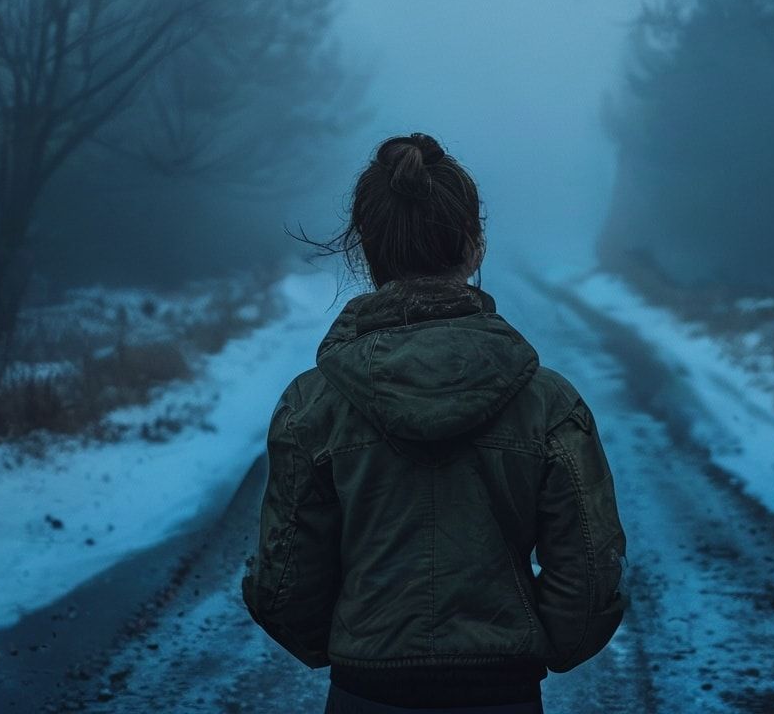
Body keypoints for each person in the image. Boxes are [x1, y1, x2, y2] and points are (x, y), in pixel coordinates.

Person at [241, 132, 628, 713]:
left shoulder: (313, 405)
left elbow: (284, 582)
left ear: (367, 250)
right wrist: (542, 646)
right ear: (474, 247)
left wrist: (354, 644)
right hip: (504, 696)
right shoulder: (547, 403)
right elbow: (591, 575)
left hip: (364, 696)